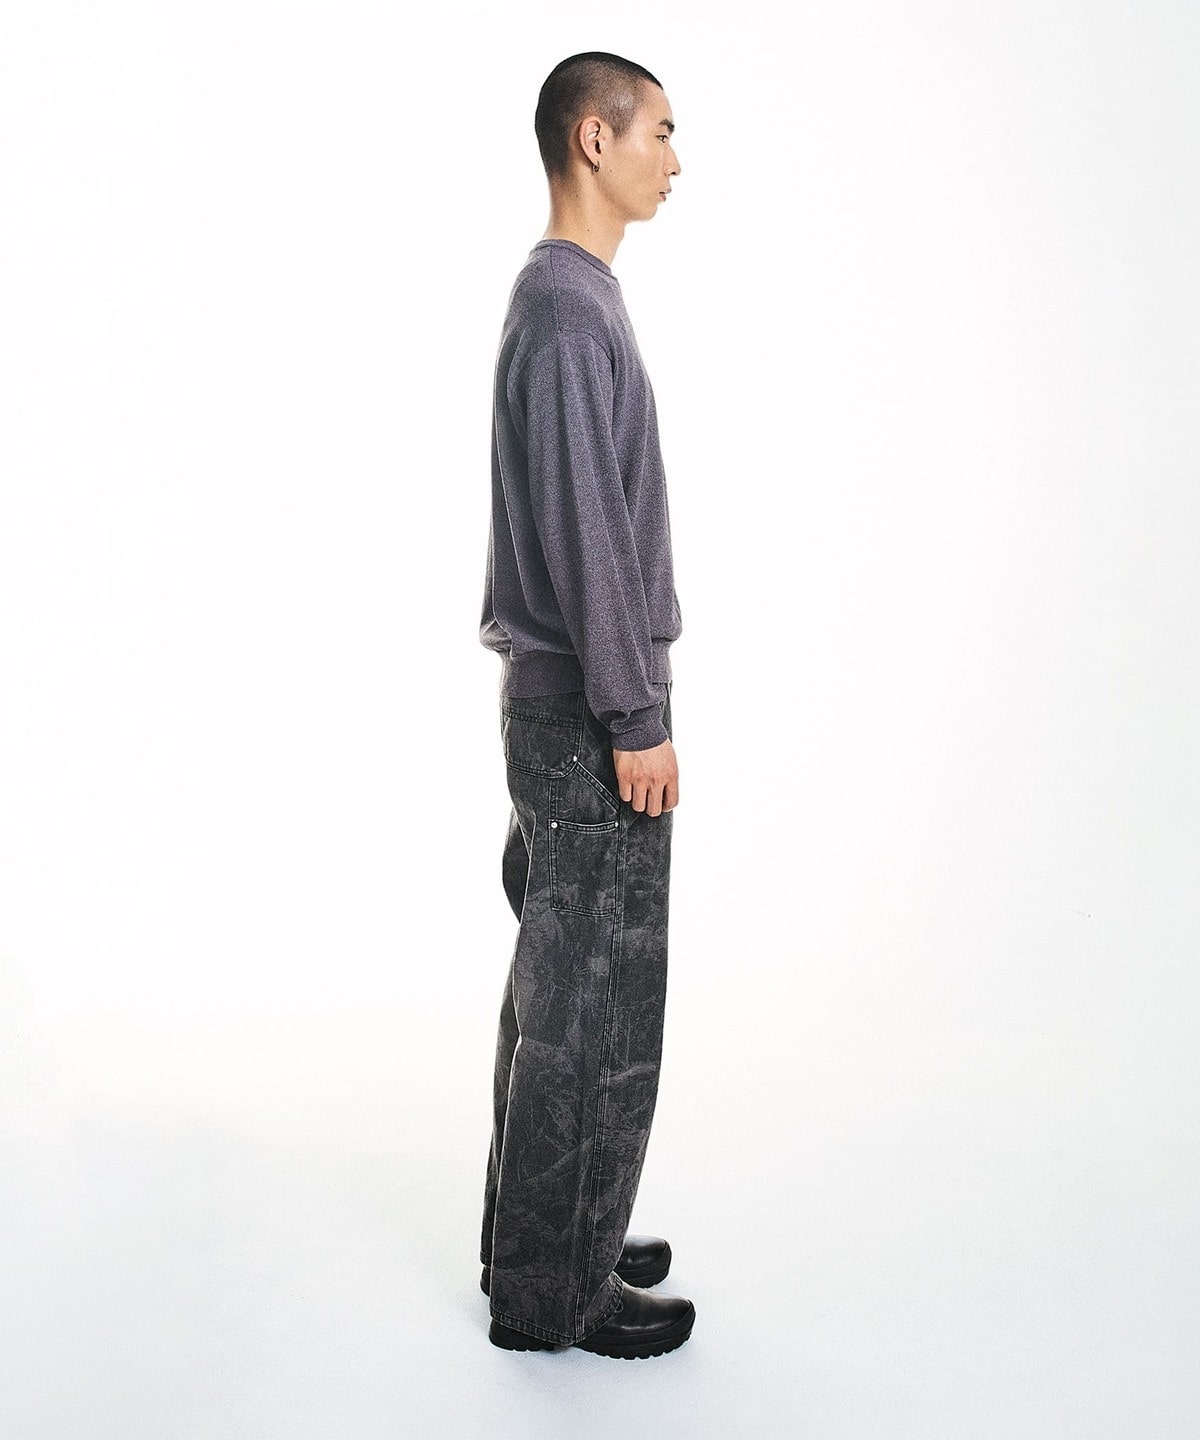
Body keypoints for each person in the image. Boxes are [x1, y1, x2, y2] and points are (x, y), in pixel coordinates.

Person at [477, 51, 694, 1360]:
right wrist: (634, 713)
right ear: (594, 140)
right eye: (660, 131)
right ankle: (554, 1293)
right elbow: (586, 541)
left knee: (562, 995)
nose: (676, 159)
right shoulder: (566, 313)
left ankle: (554, 1243)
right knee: (591, 1013)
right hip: (587, 721)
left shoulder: (571, 300)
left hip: (569, 711)